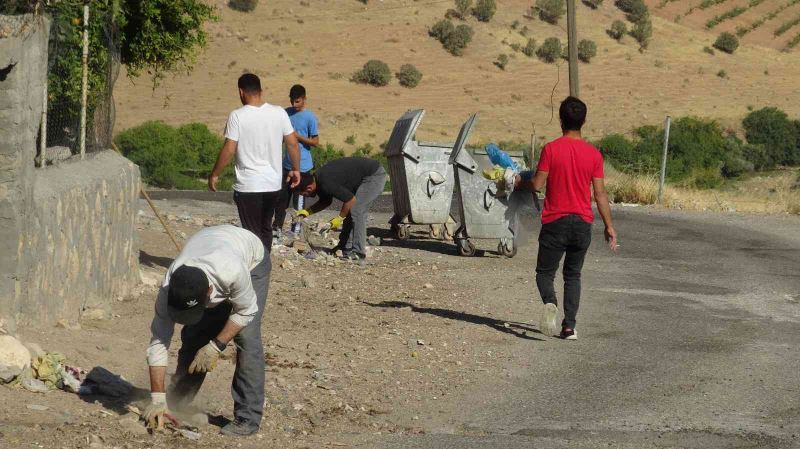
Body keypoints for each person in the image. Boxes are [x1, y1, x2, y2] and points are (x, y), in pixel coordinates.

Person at [143, 225, 268, 436]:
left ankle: (248, 417)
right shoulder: (170, 286)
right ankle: (179, 398)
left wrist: (217, 345)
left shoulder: (233, 270)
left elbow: (246, 311)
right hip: (210, 243)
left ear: (209, 292)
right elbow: (159, 340)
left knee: (247, 338)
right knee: (195, 335)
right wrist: (157, 399)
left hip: (252, 260)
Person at [515, 96, 618, 340]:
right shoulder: (594, 155)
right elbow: (600, 194)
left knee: (544, 273)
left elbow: (537, 185)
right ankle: (569, 326)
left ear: (561, 119)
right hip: (582, 223)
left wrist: (520, 183)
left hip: (555, 222)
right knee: (573, 275)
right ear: (583, 121)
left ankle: (550, 302)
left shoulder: (551, 149)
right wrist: (609, 226)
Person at [208, 73, 301, 248]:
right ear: (261, 91)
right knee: (266, 228)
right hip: (272, 184)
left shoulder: (237, 116)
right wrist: (296, 169)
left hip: (249, 185)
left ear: (241, 92)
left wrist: (215, 174)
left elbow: (229, 148)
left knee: (251, 233)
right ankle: (263, 269)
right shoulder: (279, 112)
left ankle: (256, 271)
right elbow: (293, 144)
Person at [295, 157, 387, 261]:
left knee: (357, 210)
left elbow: (350, 200)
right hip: (364, 176)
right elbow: (325, 201)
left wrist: (339, 218)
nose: (306, 197)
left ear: (309, 188)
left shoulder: (325, 182)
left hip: (373, 175)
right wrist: (308, 211)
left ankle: (358, 252)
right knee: (350, 211)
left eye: (304, 194)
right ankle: (344, 247)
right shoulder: (318, 180)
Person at [273, 84, 320, 243]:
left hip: (304, 167)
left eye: (298, 101)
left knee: (298, 200)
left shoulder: (310, 117)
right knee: (281, 199)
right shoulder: (286, 113)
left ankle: (296, 231)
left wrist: (296, 137)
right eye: (293, 101)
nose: (295, 104)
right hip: (287, 165)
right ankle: (276, 229)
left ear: (305, 99)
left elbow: (315, 142)